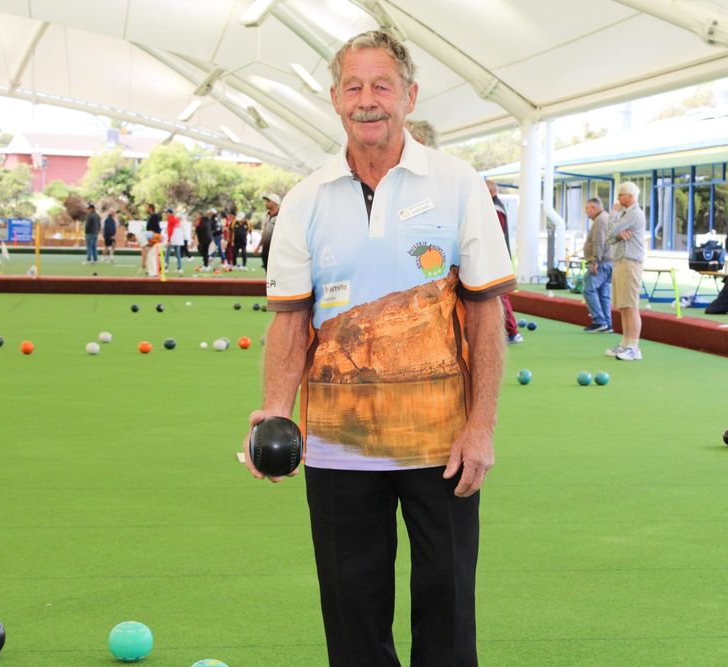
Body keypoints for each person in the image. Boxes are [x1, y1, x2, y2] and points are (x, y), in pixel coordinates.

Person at [244, 30, 515, 667]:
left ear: (409, 95)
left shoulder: (458, 183)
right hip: (339, 447)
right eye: (354, 87)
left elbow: (484, 313)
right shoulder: (306, 198)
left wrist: (481, 427)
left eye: (382, 86)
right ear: (336, 99)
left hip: (441, 444)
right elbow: (291, 320)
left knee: (447, 610)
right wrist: (274, 409)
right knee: (351, 612)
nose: (369, 101)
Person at [605, 181, 647, 361]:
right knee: (623, 306)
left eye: (621, 195)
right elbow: (609, 237)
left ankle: (634, 346)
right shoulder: (625, 214)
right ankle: (625, 343)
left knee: (630, 305)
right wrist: (617, 235)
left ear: (630, 197)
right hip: (621, 261)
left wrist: (614, 217)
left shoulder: (634, 214)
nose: (618, 198)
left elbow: (612, 229)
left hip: (630, 263)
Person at [485, 179, 522, 344]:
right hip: (491, 257)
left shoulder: (495, 208)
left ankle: (512, 331)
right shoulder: (488, 206)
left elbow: (494, 234)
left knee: (501, 295)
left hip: (496, 258)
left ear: (492, 191)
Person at [581, 197, 614, 332]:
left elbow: (599, 242)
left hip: (601, 262)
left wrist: (594, 261)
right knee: (603, 293)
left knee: (588, 289)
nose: (586, 212)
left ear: (594, 208)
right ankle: (607, 323)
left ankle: (599, 321)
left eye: (587, 208)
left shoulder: (600, 221)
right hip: (609, 261)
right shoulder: (605, 218)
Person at [258, 194, 280, 271]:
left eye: (268, 201)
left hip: (277, 248)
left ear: (274, 202)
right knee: (267, 271)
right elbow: (265, 233)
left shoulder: (282, 216)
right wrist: (259, 246)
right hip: (266, 248)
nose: (266, 203)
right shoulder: (267, 216)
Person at [143, 203, 162, 269]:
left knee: (153, 254)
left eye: (147, 208)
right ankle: (152, 268)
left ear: (150, 208)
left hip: (154, 238)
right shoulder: (151, 216)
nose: (146, 209)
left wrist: (154, 236)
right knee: (151, 254)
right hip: (151, 238)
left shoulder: (154, 216)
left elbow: (156, 228)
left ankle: (156, 269)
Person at [166, 208, 184, 273]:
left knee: (167, 253)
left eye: (167, 213)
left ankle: (166, 268)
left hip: (172, 239)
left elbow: (170, 231)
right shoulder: (176, 220)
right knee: (178, 254)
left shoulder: (170, 219)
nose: (166, 214)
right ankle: (180, 268)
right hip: (178, 239)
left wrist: (169, 240)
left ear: (170, 213)